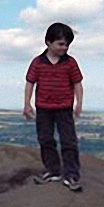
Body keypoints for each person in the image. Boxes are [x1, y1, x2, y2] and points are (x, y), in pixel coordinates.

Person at [23, 22, 84, 191]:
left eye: (67, 44)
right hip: (43, 107)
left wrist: (79, 103)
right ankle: (53, 170)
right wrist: (27, 104)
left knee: (68, 141)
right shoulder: (37, 62)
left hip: (64, 108)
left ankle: (71, 175)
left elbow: (77, 83)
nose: (65, 48)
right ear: (48, 42)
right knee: (45, 140)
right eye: (61, 44)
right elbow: (30, 83)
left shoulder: (70, 63)